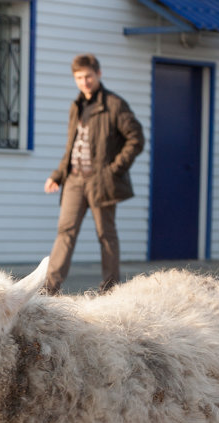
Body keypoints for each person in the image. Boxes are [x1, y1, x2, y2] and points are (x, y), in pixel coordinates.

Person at [43, 54, 144, 294]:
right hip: (74, 179)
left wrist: (113, 170)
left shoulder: (115, 104)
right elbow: (72, 145)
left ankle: (110, 289)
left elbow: (136, 139)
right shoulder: (76, 105)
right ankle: (48, 289)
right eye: (79, 77)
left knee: (106, 235)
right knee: (65, 233)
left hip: (101, 181)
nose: (84, 82)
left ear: (98, 74)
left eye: (88, 76)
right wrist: (58, 174)